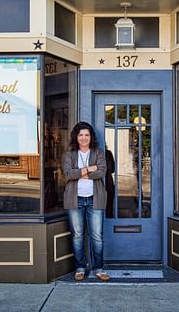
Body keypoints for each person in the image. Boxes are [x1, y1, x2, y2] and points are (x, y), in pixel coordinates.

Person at [62, 121, 110, 282]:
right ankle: (80, 268)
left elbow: (102, 172)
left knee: (97, 236)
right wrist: (90, 169)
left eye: (87, 135)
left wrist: (79, 173)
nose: (84, 138)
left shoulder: (99, 152)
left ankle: (98, 268)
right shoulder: (69, 154)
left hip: (94, 199)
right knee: (77, 236)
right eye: (81, 134)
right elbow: (68, 174)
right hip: (74, 200)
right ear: (76, 137)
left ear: (91, 137)